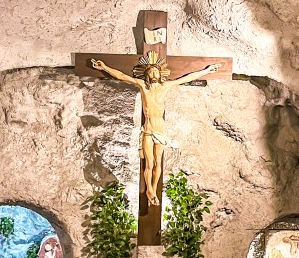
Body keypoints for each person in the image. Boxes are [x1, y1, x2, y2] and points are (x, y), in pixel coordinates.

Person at [90, 51, 221, 205]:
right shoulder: (142, 87)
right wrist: (104, 67)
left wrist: (206, 71)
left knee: (158, 162)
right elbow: (122, 76)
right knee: (149, 163)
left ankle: (153, 187)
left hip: (160, 130)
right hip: (148, 129)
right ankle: (149, 192)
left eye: (156, 71)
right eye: (150, 71)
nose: (153, 73)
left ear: (160, 74)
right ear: (146, 74)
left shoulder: (165, 86)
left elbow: (186, 78)